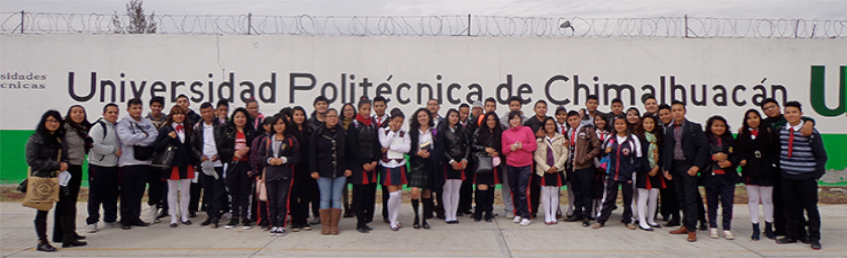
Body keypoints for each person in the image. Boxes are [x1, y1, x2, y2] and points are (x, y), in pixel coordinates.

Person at [758, 98, 816, 237]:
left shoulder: (788, 121)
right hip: (776, 167)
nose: (770, 109)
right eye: (766, 108)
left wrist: (810, 123)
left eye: (772, 106)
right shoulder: (764, 123)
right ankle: (781, 228)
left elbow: (807, 118)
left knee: (798, 202)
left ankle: (801, 230)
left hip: (794, 168)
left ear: (779, 107)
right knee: (779, 199)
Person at [775, 101, 827, 250]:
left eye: (794, 112)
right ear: (784, 115)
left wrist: (816, 174)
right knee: (790, 208)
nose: (791, 115)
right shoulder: (781, 130)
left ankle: (814, 237)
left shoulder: (810, 132)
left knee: (810, 208)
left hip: (806, 177)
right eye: (788, 112)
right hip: (787, 176)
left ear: (801, 114)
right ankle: (792, 234)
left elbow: (821, 155)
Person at [27, 110, 78, 252]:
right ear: (44, 122)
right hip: (43, 180)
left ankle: (68, 237)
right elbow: (32, 161)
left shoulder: (60, 139)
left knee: (68, 206)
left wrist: (66, 164)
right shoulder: (36, 138)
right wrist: (56, 165)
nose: (53, 123)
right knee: (43, 211)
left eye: (56, 121)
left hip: (60, 180)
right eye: (50, 120)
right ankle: (42, 241)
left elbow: (66, 157)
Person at [663, 101, 709, 242]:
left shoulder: (694, 127)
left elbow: (704, 148)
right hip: (675, 167)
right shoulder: (669, 130)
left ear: (685, 111)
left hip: (689, 167)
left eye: (679, 110)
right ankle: (685, 225)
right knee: (681, 198)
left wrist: (697, 166)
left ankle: (692, 229)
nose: (676, 112)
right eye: (674, 110)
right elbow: (667, 150)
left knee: (690, 199)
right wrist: (667, 168)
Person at [153, 105, 200, 228]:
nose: (179, 116)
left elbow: (193, 146)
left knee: (185, 191)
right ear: (171, 116)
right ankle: (173, 217)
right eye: (176, 114)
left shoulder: (189, 128)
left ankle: (184, 215)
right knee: (172, 191)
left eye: (181, 113)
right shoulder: (165, 129)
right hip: (172, 164)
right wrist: (169, 138)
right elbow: (157, 147)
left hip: (187, 162)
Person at [592, 115, 641, 230]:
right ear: (614, 125)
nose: (619, 126)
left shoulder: (633, 139)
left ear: (626, 125)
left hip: (627, 174)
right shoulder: (610, 138)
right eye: (617, 124)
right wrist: (606, 151)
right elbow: (603, 154)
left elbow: (638, 157)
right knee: (608, 198)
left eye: (622, 123)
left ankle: (628, 220)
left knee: (628, 199)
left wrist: (631, 170)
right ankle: (601, 220)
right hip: (612, 173)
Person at [116, 98, 159, 230]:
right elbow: (127, 139)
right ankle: (125, 218)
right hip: (127, 163)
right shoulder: (123, 123)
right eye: (134, 108)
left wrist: (139, 140)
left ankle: (135, 216)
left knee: (138, 192)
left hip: (144, 162)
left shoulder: (146, 122)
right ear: (128, 109)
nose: (137, 110)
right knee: (127, 192)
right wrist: (143, 136)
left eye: (139, 108)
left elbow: (154, 135)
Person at [310, 108, 354, 235]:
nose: (333, 119)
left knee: (336, 197)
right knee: (325, 197)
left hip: (340, 171)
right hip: (323, 171)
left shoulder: (343, 133)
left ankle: (334, 224)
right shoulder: (318, 133)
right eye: (330, 116)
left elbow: (348, 153)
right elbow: (312, 153)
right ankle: (325, 225)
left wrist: (349, 168)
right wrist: (313, 170)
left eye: (335, 116)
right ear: (325, 118)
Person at [256, 114, 301, 236]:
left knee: (282, 200)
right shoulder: (267, 139)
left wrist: (284, 160)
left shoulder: (291, 139)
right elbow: (259, 156)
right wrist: (269, 160)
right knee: (272, 200)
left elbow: (296, 158)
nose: (279, 126)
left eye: (281, 123)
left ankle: (281, 224)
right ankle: (273, 224)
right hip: (270, 173)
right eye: (276, 124)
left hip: (285, 174)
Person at [737, 109, 778, 240]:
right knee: (753, 199)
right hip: (750, 169)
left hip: (766, 169)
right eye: (749, 118)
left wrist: (772, 164)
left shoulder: (769, 133)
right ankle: (755, 228)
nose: (752, 120)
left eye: (755, 117)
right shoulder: (742, 134)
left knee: (767, 200)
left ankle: (769, 227)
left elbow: (776, 150)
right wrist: (741, 159)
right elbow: (739, 150)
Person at [53, 105, 90, 244]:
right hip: (66, 168)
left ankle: (68, 231)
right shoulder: (64, 128)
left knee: (71, 201)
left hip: (76, 167)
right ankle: (63, 235)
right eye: (75, 112)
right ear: (69, 114)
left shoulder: (80, 129)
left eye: (81, 112)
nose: (78, 114)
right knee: (65, 202)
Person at [216, 107, 258, 230]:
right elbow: (221, 148)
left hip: (246, 165)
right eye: (237, 117)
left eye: (243, 117)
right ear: (233, 118)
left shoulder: (251, 131)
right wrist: (233, 152)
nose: (240, 119)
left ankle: (245, 218)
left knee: (245, 192)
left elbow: (257, 147)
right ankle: (234, 217)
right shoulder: (227, 131)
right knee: (233, 192)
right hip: (232, 164)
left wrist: (248, 148)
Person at [702, 115, 739, 240]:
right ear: (710, 127)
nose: (719, 128)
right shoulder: (705, 140)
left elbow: (737, 156)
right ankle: (712, 227)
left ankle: (726, 228)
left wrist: (730, 163)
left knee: (727, 203)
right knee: (712, 204)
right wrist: (713, 158)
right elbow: (699, 157)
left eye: (722, 126)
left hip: (728, 178)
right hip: (711, 176)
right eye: (716, 125)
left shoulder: (730, 140)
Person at [86, 104, 121, 234]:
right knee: (96, 195)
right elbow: (93, 145)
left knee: (111, 195)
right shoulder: (98, 127)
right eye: (110, 112)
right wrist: (112, 150)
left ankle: (110, 219)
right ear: (104, 113)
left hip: (112, 167)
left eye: (115, 112)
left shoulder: (116, 127)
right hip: (98, 167)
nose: (113, 115)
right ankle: (92, 221)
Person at [349, 98, 381, 233]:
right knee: (359, 194)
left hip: (372, 165)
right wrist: (363, 163)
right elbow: (352, 146)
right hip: (359, 165)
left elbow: (376, 144)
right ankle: (360, 222)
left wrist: (375, 160)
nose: (367, 112)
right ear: (359, 110)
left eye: (369, 109)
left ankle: (367, 219)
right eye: (364, 109)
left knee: (369, 193)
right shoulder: (354, 125)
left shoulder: (373, 125)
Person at [192, 102, 226, 228]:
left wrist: (219, 154)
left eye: (209, 111)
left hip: (218, 163)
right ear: (201, 113)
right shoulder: (197, 127)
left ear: (214, 111)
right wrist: (201, 157)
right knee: (207, 191)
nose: (207, 114)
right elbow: (193, 146)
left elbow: (226, 143)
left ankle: (216, 216)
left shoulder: (222, 125)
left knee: (218, 190)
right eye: (204, 112)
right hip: (204, 164)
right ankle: (209, 214)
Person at [564, 111, 601, 227]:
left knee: (587, 191)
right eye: (570, 120)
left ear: (579, 119)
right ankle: (577, 213)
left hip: (585, 166)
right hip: (572, 166)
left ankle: (587, 215)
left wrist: (587, 157)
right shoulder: (568, 132)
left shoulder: (588, 130)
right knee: (576, 191)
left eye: (575, 119)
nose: (573, 122)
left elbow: (597, 147)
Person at [502, 110, 538, 227]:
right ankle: (517, 212)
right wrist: (510, 148)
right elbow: (503, 150)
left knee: (523, 191)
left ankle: (526, 215)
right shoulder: (505, 133)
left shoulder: (527, 130)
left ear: (521, 119)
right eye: (512, 119)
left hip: (525, 165)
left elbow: (533, 146)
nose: (514, 121)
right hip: (511, 165)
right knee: (514, 190)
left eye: (517, 118)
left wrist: (523, 146)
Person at [379, 108, 411, 231]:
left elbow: (407, 148)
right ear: (391, 120)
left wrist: (392, 147)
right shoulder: (383, 131)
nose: (398, 124)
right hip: (387, 166)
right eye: (396, 121)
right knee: (393, 195)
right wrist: (392, 132)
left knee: (398, 194)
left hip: (400, 164)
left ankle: (395, 219)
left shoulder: (404, 133)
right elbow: (383, 144)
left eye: (400, 122)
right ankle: (391, 219)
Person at [407, 108, 438, 229]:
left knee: (426, 193)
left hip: (430, 163)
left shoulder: (435, 132)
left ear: (429, 117)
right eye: (420, 116)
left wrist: (431, 153)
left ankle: (424, 219)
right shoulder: (413, 132)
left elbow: (440, 148)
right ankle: (416, 217)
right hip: (417, 164)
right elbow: (409, 150)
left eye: (424, 116)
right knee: (414, 192)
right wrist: (418, 153)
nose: (422, 118)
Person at [533, 117, 568, 225]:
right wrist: (546, 167)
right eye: (547, 124)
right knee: (545, 193)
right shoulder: (539, 140)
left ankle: (554, 215)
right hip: (544, 170)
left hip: (557, 169)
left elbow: (564, 153)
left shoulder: (561, 138)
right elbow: (536, 155)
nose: (550, 126)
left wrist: (556, 166)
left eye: (552, 124)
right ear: (544, 127)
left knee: (555, 193)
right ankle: (547, 215)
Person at [290, 106, 319, 231]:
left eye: (301, 114)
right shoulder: (289, 131)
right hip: (293, 167)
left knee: (306, 194)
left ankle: (304, 219)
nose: (299, 117)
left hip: (307, 166)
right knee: (294, 194)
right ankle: (295, 220)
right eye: (296, 115)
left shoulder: (309, 130)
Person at [471, 112, 504, 223]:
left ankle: (489, 212)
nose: (491, 122)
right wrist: (484, 149)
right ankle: (478, 212)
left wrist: (497, 152)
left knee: (491, 188)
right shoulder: (478, 131)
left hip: (494, 164)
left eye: (493, 119)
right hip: (482, 163)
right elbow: (473, 146)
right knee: (481, 189)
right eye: (488, 119)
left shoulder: (500, 132)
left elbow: (503, 148)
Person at [438, 109, 469, 224]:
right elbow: (442, 148)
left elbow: (467, 145)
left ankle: (453, 215)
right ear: (448, 117)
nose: (454, 118)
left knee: (456, 190)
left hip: (460, 162)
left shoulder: (462, 130)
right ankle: (447, 214)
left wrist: (465, 159)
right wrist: (451, 160)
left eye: (456, 116)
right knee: (447, 190)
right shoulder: (443, 129)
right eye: (452, 115)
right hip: (448, 162)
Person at [634, 115, 665, 231]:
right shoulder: (639, 138)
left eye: (651, 123)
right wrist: (648, 169)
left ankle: (651, 219)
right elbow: (640, 155)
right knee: (643, 196)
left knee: (654, 195)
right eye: (646, 123)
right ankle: (642, 221)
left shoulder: (657, 137)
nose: (649, 125)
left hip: (656, 170)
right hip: (644, 171)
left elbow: (662, 153)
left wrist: (657, 167)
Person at [523, 100, 550, 219]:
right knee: (534, 186)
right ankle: (533, 211)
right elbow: (524, 139)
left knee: (549, 186)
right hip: (533, 159)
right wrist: (536, 136)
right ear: (534, 109)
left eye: (544, 107)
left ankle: (551, 211)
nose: (541, 110)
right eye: (539, 107)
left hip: (549, 159)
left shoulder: (549, 121)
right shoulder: (529, 123)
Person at [499, 97, 524, 220]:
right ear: (509, 106)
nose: (515, 107)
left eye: (517, 105)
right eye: (512, 105)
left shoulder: (526, 121)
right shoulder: (502, 121)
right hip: (507, 159)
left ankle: (520, 210)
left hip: (524, 160)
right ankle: (509, 208)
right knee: (507, 185)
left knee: (521, 187)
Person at [145, 97, 169, 223]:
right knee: (153, 186)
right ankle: (152, 210)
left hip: (165, 159)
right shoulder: (145, 121)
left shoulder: (168, 121)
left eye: (159, 106)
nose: (156, 108)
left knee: (164, 187)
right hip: (149, 159)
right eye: (154, 106)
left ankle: (164, 209)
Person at [656, 104, 679, 226]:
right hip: (665, 164)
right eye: (661, 115)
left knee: (686, 193)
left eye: (666, 114)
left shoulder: (678, 127)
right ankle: (672, 216)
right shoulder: (661, 128)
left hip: (678, 164)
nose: (664, 116)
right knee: (668, 191)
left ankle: (700, 219)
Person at [250, 118, 274, 231]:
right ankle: (263, 219)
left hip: (276, 172)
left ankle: (273, 219)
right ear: (264, 126)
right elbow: (255, 157)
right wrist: (256, 172)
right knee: (263, 198)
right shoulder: (259, 139)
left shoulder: (280, 138)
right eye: (269, 124)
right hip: (263, 172)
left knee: (274, 197)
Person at [372, 96, 392, 223]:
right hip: (373, 160)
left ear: (386, 106)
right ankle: (368, 214)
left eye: (381, 106)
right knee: (370, 187)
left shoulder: (391, 121)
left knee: (386, 188)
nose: (379, 108)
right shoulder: (369, 121)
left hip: (387, 160)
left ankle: (387, 214)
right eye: (377, 106)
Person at [457, 103, 475, 216]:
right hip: (457, 158)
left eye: (467, 113)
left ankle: (467, 206)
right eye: (463, 113)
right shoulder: (454, 125)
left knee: (468, 184)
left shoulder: (471, 125)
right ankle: (458, 207)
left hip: (469, 158)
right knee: (458, 184)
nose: (465, 116)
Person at [340, 103, 357, 219]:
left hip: (355, 158)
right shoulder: (339, 124)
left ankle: (354, 207)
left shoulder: (357, 123)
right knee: (344, 185)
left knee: (355, 184)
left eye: (351, 110)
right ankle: (346, 207)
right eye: (346, 110)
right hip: (343, 157)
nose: (348, 112)